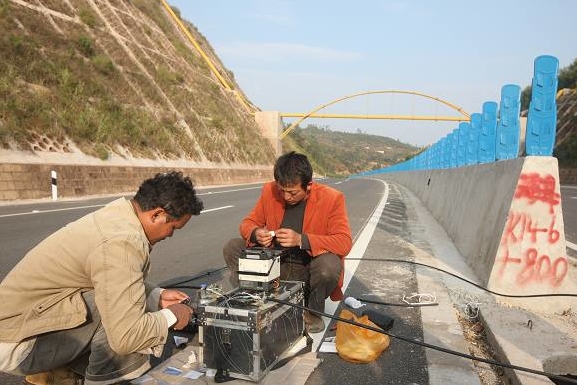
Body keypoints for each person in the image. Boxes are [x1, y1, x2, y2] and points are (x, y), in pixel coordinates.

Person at [0, 171, 203, 385]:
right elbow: (127, 335)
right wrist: (171, 316)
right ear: (157, 214)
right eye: (173, 228)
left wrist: (156, 295)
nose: (170, 235)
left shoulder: (117, 217)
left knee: (123, 301)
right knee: (125, 317)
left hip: (19, 325)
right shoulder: (122, 242)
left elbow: (109, 278)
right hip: (17, 343)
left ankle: (56, 375)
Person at [223, 152, 352, 333]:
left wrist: (301, 239)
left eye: (293, 192)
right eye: (282, 190)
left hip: (308, 271)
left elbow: (344, 242)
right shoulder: (269, 190)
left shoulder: (332, 198)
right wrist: (256, 233)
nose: (286, 197)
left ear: (308, 185)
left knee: (329, 265)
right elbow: (247, 224)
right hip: (277, 266)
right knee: (232, 247)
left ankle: (312, 312)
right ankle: (256, 297)